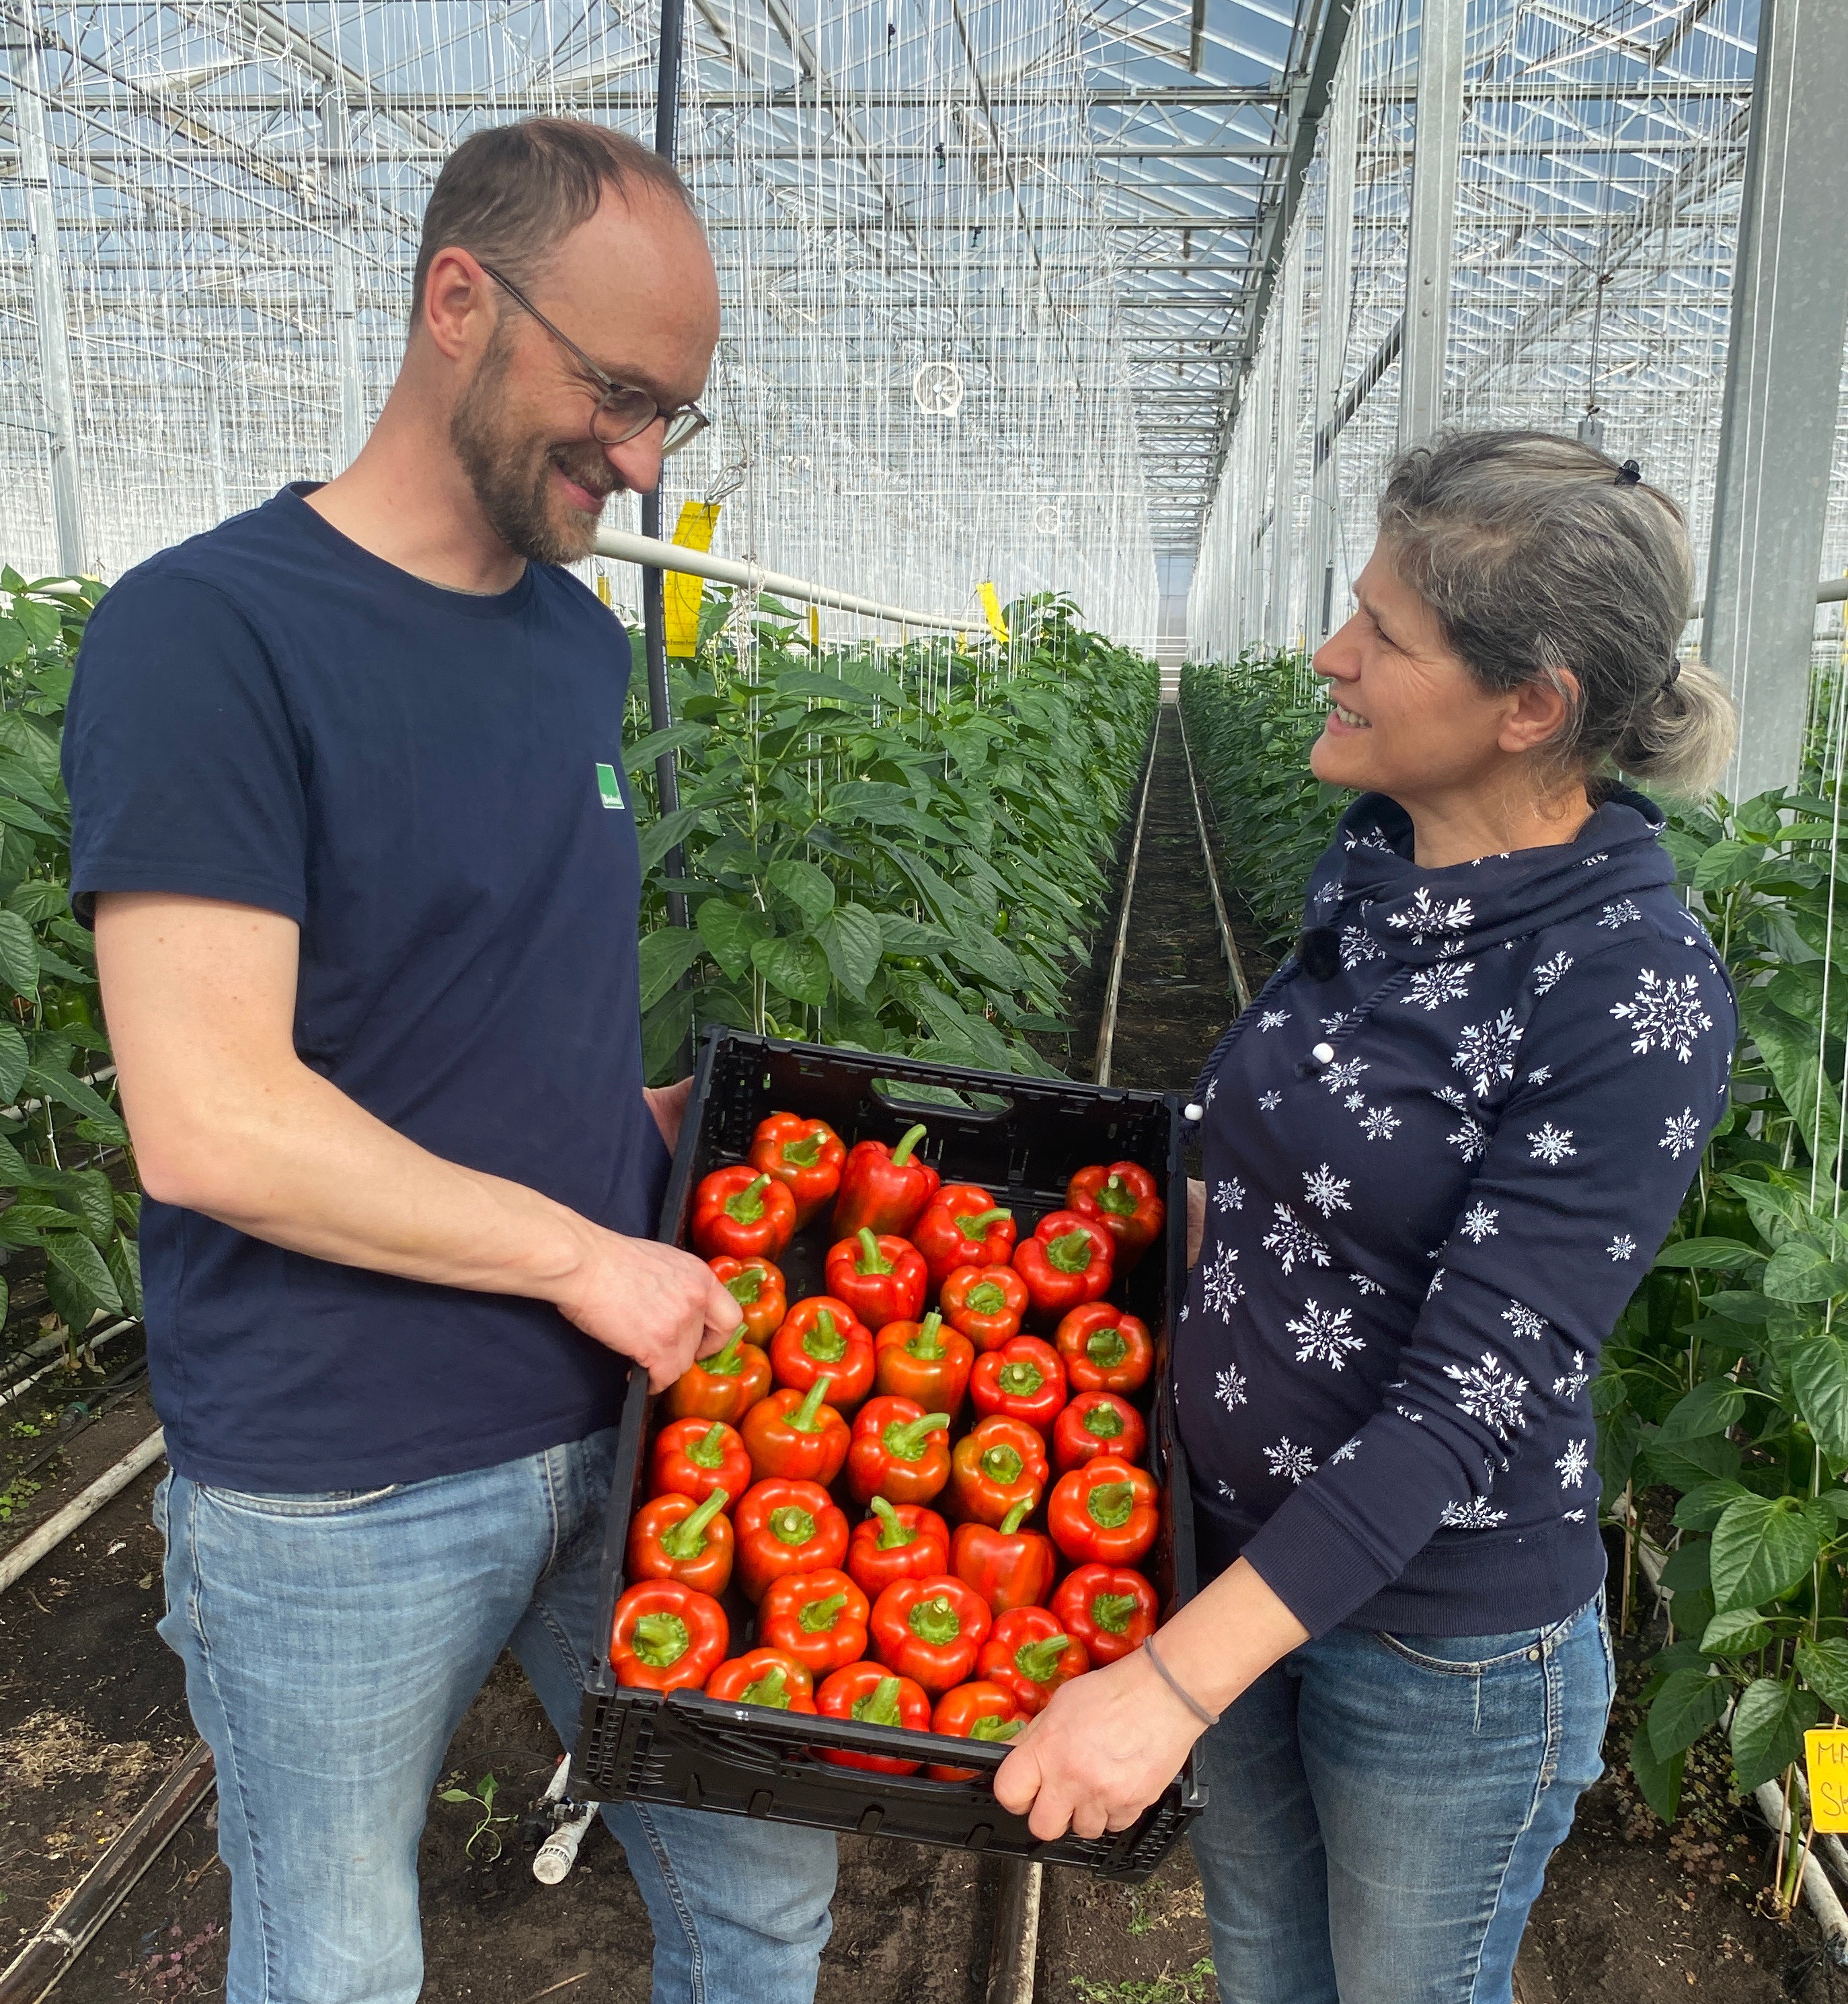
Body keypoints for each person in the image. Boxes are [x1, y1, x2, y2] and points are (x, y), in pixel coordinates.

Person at [63, 120, 838, 2004]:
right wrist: (585, 1254)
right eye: (619, 393)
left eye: (676, 416)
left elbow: (489, 1018)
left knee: (760, 1899)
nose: (644, 459)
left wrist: (687, 1133)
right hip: (347, 1472)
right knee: (334, 1958)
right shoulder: (211, 636)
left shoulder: (575, 655)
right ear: (457, 303)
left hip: (622, 1423)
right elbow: (214, 1119)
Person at [996, 431, 1739, 2003]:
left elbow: (1471, 1397)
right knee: (1271, 1972)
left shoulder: (1632, 989)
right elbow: (1264, 1170)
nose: (1331, 656)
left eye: (1384, 635)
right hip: (1236, 1562)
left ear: (1527, 704)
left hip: (1435, 1652)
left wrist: (1166, 1687)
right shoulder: (1384, 861)